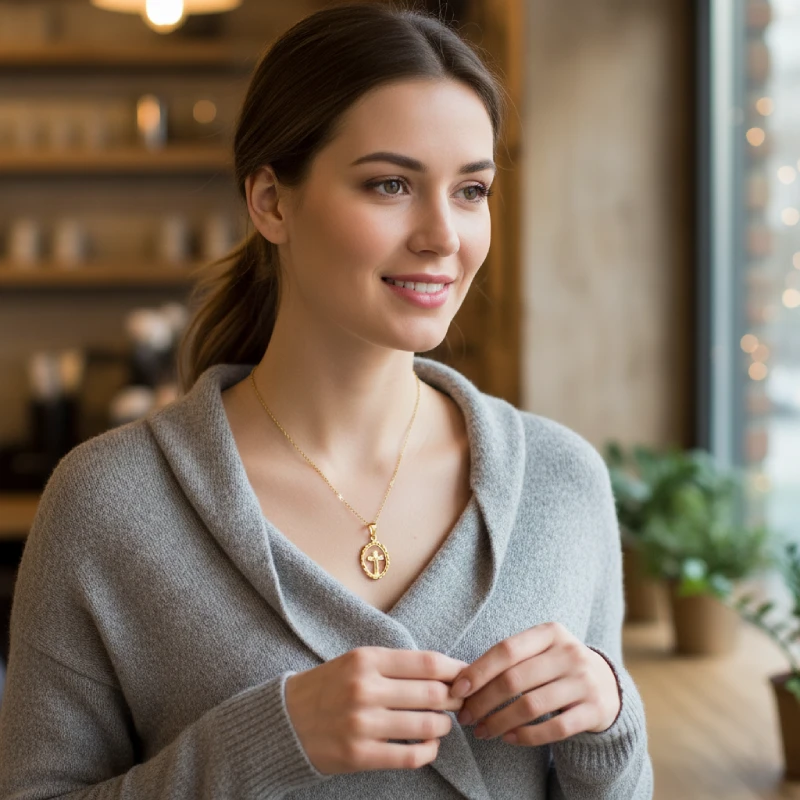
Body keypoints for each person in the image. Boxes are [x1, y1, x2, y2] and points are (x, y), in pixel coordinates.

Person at [0, 3, 653, 797]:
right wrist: (265, 741)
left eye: (472, 190)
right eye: (390, 184)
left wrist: (609, 720)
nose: (444, 235)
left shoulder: (563, 482)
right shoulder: (107, 502)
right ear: (272, 202)